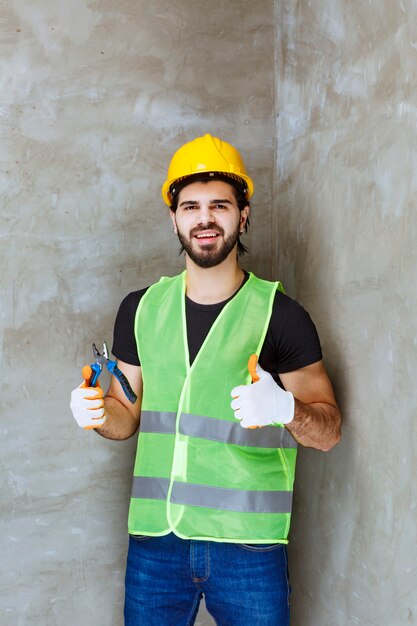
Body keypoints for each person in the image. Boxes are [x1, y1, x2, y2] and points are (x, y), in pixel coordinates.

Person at [70, 133, 342, 626]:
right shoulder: (141, 309)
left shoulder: (281, 315)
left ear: (244, 214)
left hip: (248, 548)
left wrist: (286, 409)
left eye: (220, 204)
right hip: (156, 546)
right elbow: (125, 413)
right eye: (191, 206)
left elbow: (328, 430)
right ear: (174, 217)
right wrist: (96, 412)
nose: (205, 218)